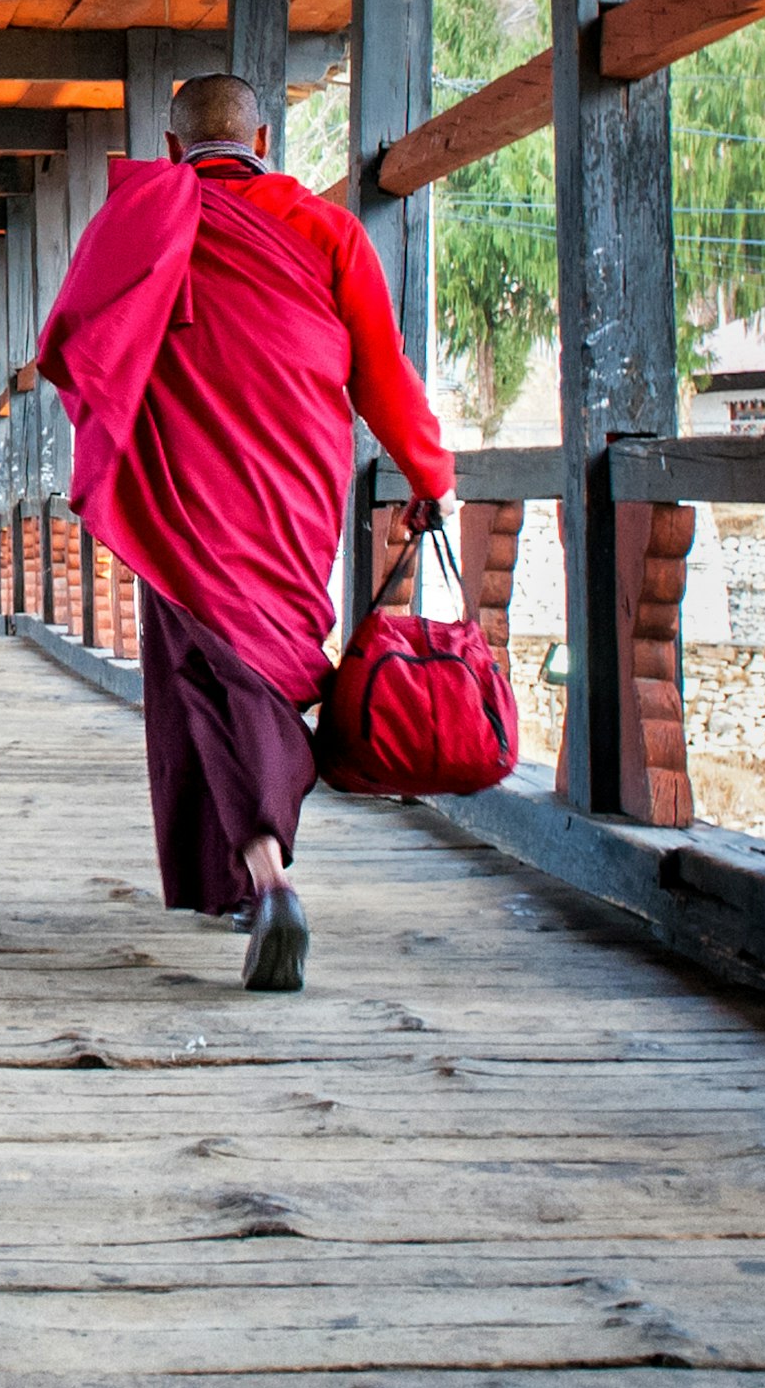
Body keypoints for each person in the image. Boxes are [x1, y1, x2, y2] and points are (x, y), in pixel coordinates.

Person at [35, 73, 453, 991]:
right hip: (295, 495)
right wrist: (430, 474)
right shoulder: (327, 229)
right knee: (256, 671)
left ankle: (263, 876)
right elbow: (381, 373)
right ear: (264, 138)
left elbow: (75, 344)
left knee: (205, 677)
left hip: (183, 499)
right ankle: (245, 879)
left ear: (175, 148)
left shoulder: (146, 217)